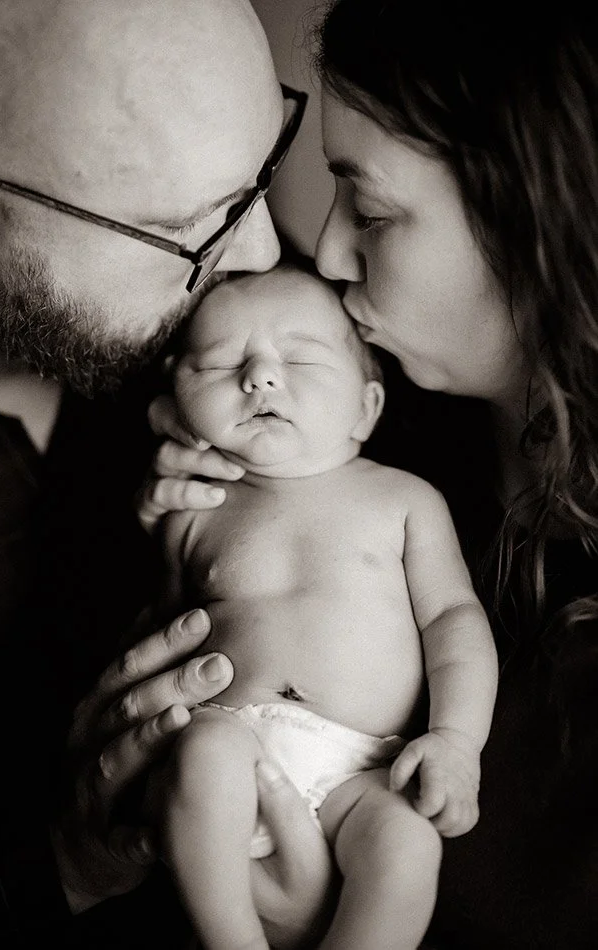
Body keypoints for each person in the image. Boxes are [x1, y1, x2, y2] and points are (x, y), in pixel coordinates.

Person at [140, 1, 598, 947]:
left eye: (375, 211)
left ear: (543, 219)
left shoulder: (406, 493)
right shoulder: (341, 415)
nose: (331, 256)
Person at [0, 1, 333, 947]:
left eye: (263, 173)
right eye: (190, 226)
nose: (260, 256)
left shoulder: (251, 339)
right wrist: (66, 867)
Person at [144, 263, 498, 950]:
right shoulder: (191, 511)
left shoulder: (402, 499)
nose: (259, 377)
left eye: (299, 357)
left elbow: (451, 619)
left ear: (367, 406)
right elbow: (163, 635)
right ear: (176, 396)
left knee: (405, 843)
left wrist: (456, 740)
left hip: (360, 771)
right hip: (231, 743)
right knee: (202, 750)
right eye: (218, 366)